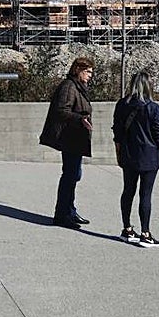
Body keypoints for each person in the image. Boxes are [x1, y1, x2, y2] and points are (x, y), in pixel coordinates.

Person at [112, 70, 159, 248]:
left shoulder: (122, 105)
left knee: (128, 191)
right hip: (149, 157)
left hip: (129, 155)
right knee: (145, 195)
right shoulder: (153, 108)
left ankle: (127, 229)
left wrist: (118, 153)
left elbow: (118, 133)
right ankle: (145, 233)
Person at [39, 57, 95, 229]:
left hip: (75, 138)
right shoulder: (69, 86)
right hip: (70, 137)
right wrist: (81, 119)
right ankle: (62, 214)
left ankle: (70, 210)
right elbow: (61, 111)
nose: (90, 75)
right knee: (70, 175)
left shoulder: (77, 86)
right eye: (88, 72)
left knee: (74, 175)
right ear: (78, 70)